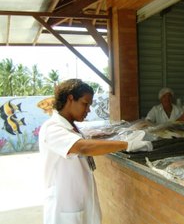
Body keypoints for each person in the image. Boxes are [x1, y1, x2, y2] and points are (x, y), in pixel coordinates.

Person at [39, 79, 152, 224]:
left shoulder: (71, 127)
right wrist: (127, 144)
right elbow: (82, 147)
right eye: (85, 104)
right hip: (65, 207)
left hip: (80, 202)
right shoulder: (52, 128)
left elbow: (82, 143)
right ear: (70, 98)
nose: (88, 110)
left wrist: (101, 136)